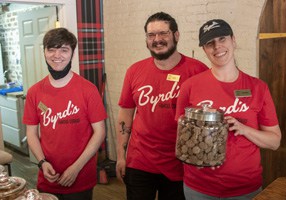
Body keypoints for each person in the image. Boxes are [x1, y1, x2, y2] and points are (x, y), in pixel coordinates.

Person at [175, 19, 282, 199]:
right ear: (204, 49)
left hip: (245, 188)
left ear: (233, 40)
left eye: (222, 39)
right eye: (210, 43)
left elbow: (274, 142)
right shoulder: (190, 86)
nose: (217, 46)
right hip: (199, 187)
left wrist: (243, 129)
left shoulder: (258, 88)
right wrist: (197, 156)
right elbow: (182, 133)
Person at [115, 12, 208, 200]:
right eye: (151, 35)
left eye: (163, 33)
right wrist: (120, 156)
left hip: (180, 163)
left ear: (176, 35)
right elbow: (125, 116)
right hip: (139, 160)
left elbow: (204, 121)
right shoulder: (134, 71)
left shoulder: (197, 71)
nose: (157, 40)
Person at [23, 28, 107, 200]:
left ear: (72, 53)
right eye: (51, 49)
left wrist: (76, 168)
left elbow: (100, 132)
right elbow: (31, 133)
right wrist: (41, 162)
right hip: (48, 177)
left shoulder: (88, 90)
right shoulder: (34, 92)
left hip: (81, 177)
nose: (57, 55)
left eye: (63, 49)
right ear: (44, 52)